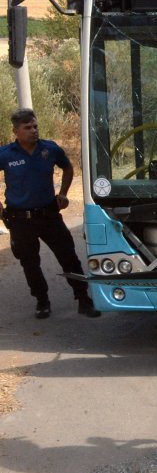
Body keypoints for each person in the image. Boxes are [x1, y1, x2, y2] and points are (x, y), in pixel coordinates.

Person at [1, 109, 99, 319]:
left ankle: (83, 299)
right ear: (16, 131)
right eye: (27, 128)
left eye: (35, 126)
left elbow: (68, 168)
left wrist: (63, 193)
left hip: (49, 216)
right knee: (30, 263)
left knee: (69, 257)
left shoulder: (49, 149)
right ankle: (42, 301)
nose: (33, 130)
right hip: (20, 220)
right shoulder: (6, 154)